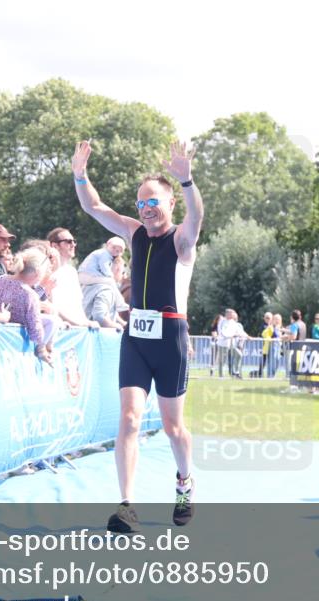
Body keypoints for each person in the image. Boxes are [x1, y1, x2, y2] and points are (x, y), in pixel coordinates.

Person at [72, 138, 204, 533]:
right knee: (128, 418)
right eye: (141, 203)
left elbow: (197, 218)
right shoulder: (133, 234)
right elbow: (93, 207)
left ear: (169, 205)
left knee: (172, 427)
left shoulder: (181, 241)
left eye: (153, 202)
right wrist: (80, 175)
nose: (146, 209)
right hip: (136, 338)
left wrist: (186, 180)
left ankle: (184, 482)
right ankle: (127, 505)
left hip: (171, 340)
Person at [0, 247, 59, 363]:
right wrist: (41, 347)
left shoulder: (0, 279)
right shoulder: (28, 294)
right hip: (14, 346)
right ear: (37, 273)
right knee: (52, 321)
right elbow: (35, 329)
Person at [47, 227, 100, 328]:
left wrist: (86, 322)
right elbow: (52, 305)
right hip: (60, 329)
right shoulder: (47, 271)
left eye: (74, 241)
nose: (73, 245)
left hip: (77, 330)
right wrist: (77, 323)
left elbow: (78, 305)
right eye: (68, 241)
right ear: (54, 245)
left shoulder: (72, 271)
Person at [83, 254, 127, 330]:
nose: (124, 276)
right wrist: (119, 327)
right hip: (95, 335)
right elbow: (100, 316)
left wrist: (123, 323)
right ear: (117, 269)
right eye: (123, 272)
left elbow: (107, 311)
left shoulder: (90, 285)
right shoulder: (106, 290)